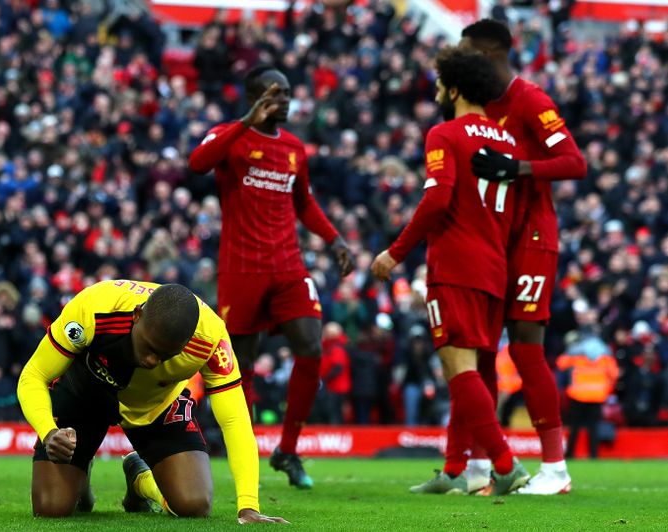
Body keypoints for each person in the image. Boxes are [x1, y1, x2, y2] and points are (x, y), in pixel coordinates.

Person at [371, 46, 529, 495]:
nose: (438, 90)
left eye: (441, 83)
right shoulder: (507, 143)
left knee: (458, 368)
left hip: (456, 264)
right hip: (495, 267)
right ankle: (455, 471)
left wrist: (395, 253)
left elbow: (437, 201)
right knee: (471, 370)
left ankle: (505, 463)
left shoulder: (446, 134)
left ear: (455, 88)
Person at [188, 64, 354, 489]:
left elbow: (305, 204)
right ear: (255, 98)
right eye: (274, 94)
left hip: (288, 265)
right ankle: (232, 445)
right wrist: (246, 122)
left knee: (311, 345)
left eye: (287, 93)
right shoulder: (232, 136)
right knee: (236, 364)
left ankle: (288, 450)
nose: (283, 101)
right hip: (242, 268)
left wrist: (335, 239)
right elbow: (197, 163)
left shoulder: (296, 148)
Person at [18, 280, 287, 524]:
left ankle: (139, 477)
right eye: (148, 347)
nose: (150, 361)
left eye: (164, 355)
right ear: (137, 316)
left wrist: (248, 505)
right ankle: (81, 465)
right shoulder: (95, 307)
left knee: (194, 504)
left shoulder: (211, 340)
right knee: (51, 507)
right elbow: (33, 376)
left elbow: (235, 420)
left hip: (156, 404)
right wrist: (48, 431)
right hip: (86, 394)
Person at [460, 18, 586, 495]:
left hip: (533, 238)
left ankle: (555, 468)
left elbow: (575, 162)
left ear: (492, 51)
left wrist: (519, 168)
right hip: (495, 239)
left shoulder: (530, 100)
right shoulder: (480, 108)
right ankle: (483, 466)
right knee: (485, 350)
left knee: (527, 345)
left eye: (469, 51)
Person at [557, 333, 618, 459]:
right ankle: (593, 455)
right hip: (597, 397)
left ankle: (570, 454)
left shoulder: (578, 356)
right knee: (594, 428)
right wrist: (607, 390)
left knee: (574, 428)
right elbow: (614, 375)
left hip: (578, 396)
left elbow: (560, 364)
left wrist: (571, 350)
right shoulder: (605, 357)